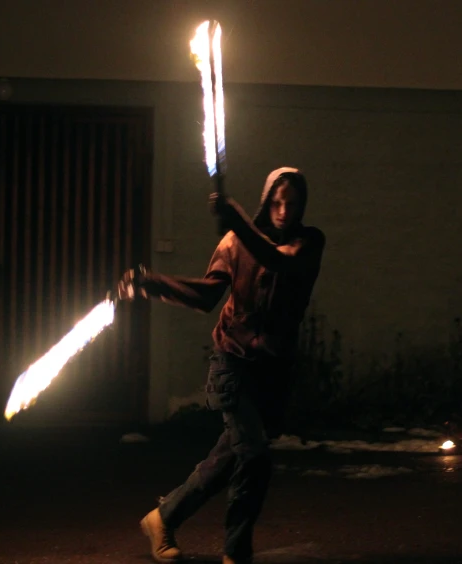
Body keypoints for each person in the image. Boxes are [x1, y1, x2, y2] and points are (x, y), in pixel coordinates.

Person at [117, 167, 326, 564]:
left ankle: (162, 518)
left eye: (292, 203)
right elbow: (206, 295)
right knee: (255, 455)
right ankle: (237, 551)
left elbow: (278, 261)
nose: (284, 210)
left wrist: (238, 221)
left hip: (274, 370)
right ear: (266, 202)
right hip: (233, 362)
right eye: (277, 202)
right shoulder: (234, 243)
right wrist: (153, 283)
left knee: (228, 457)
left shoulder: (309, 242)